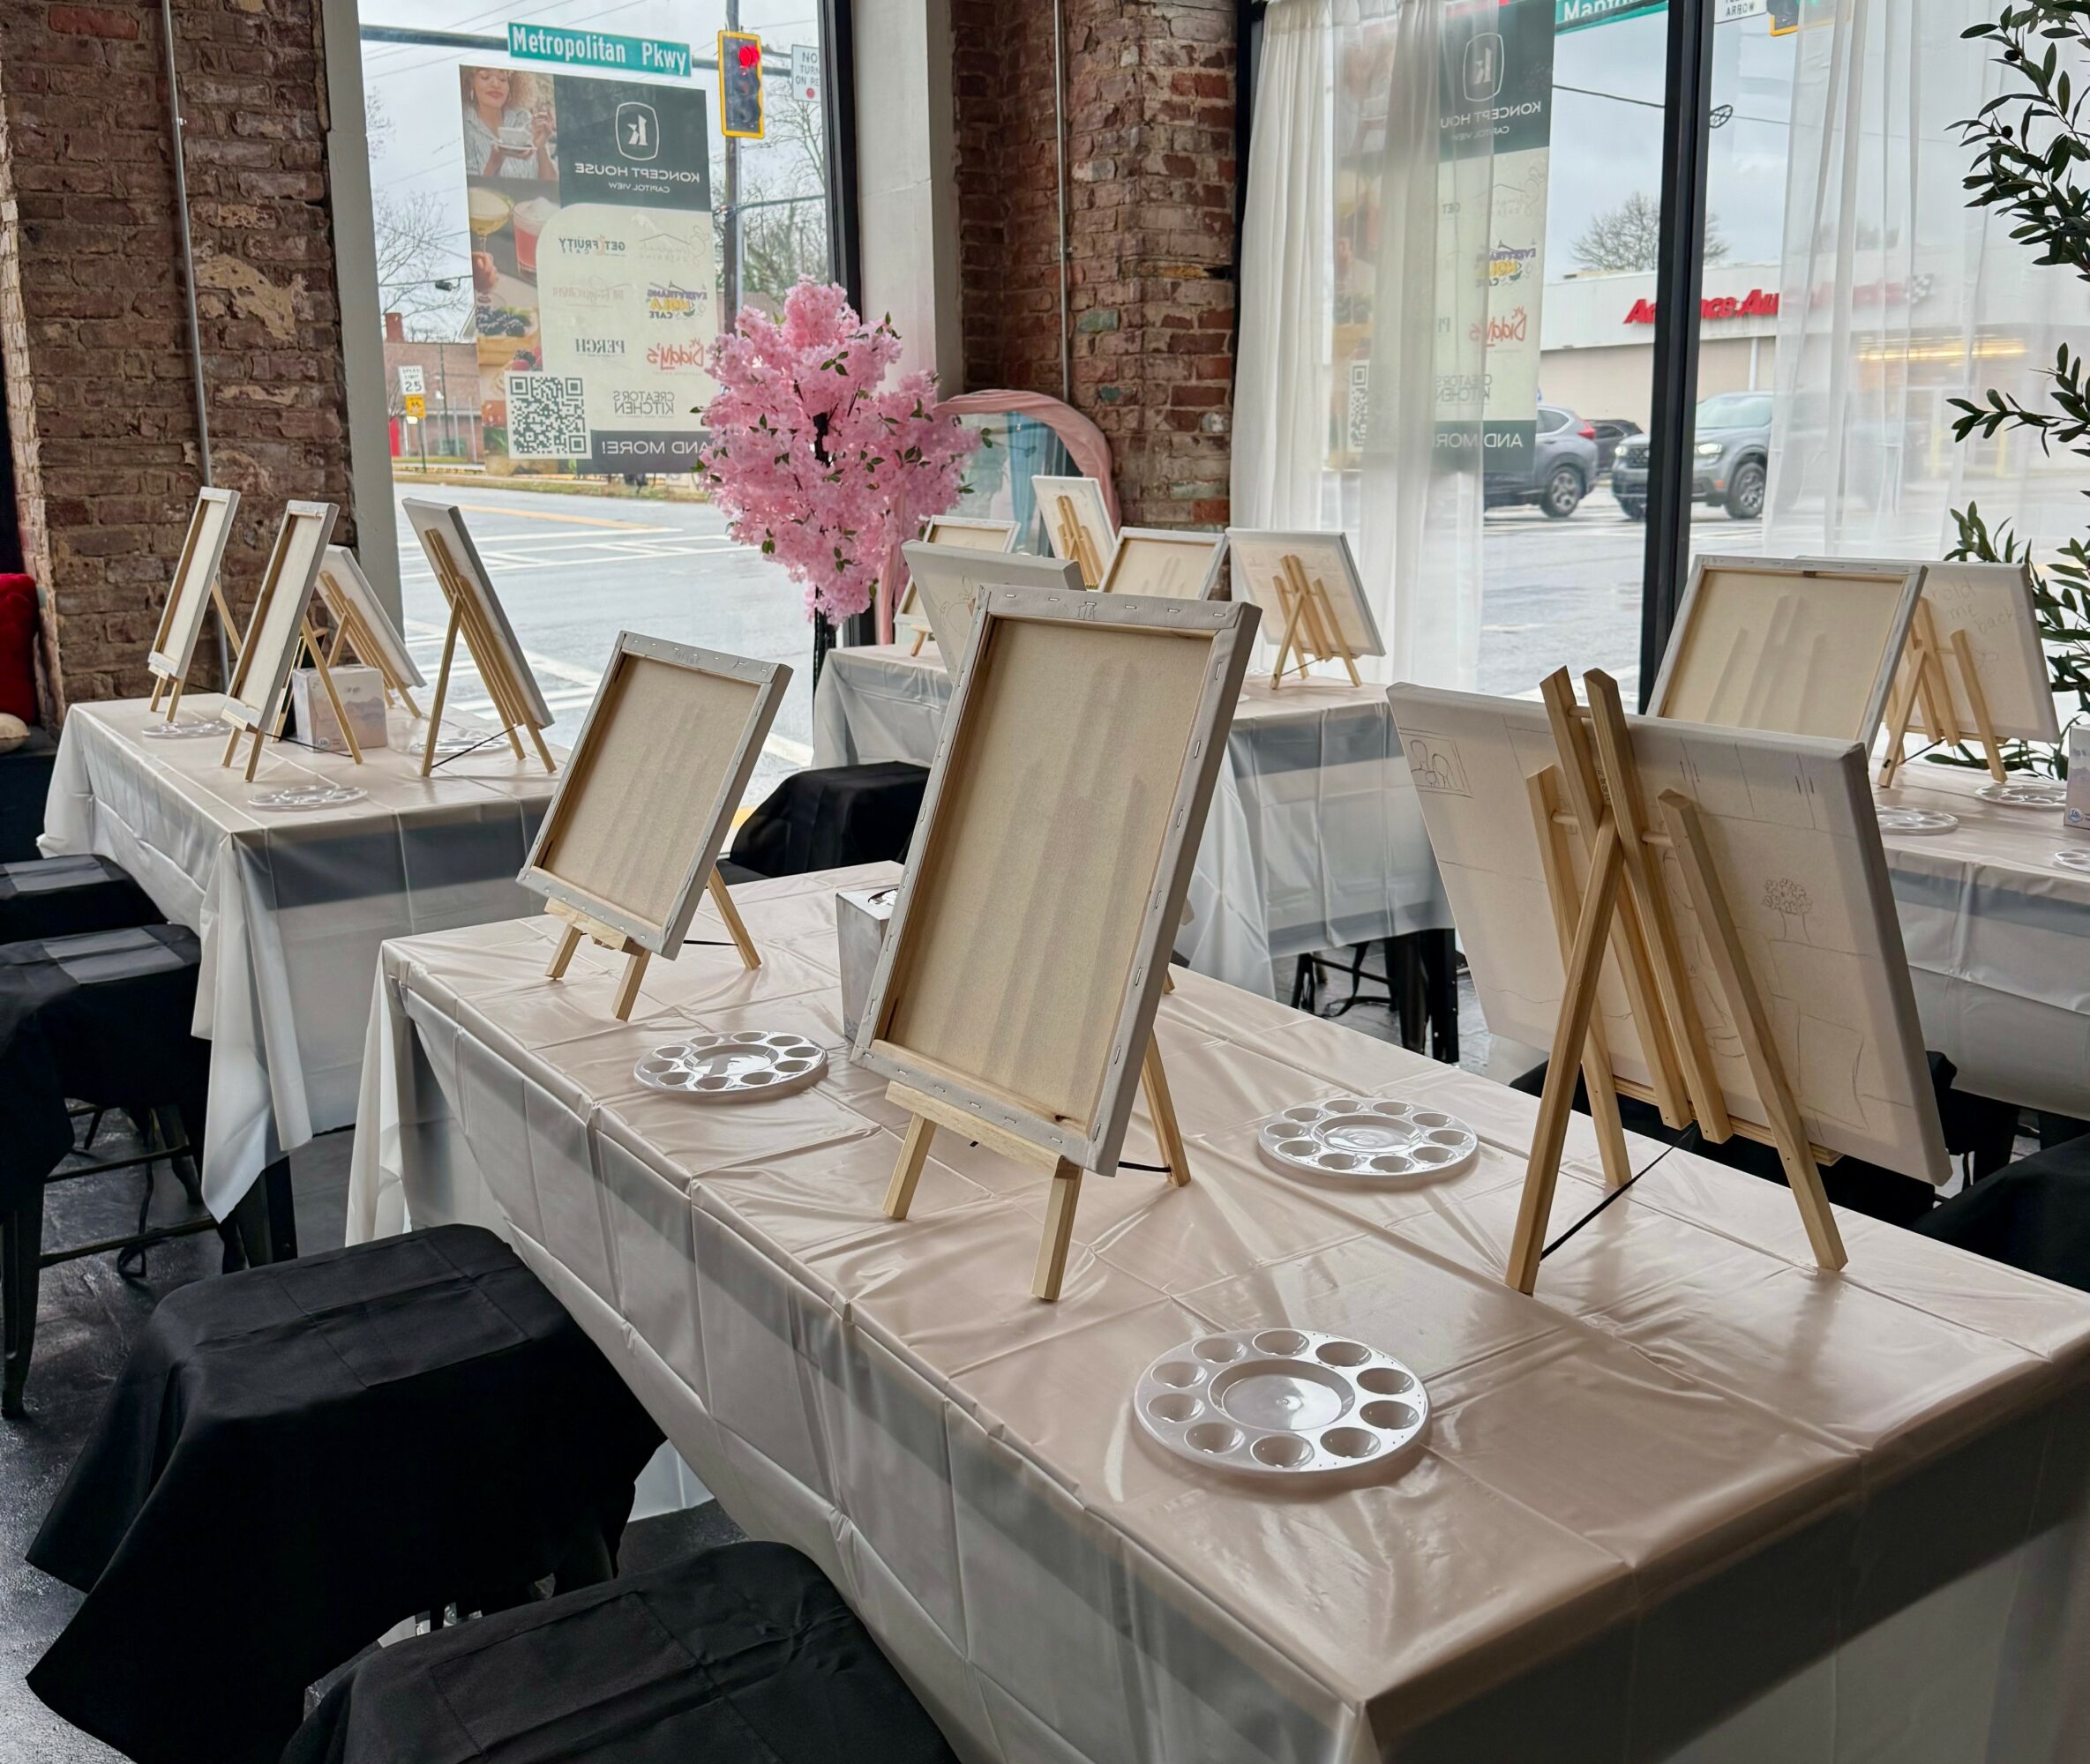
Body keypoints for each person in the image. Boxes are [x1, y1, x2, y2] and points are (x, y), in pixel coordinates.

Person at [461, 66, 555, 181]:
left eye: (502, 79)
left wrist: (542, 146)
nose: (496, 84)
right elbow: (473, 193)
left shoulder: (524, 118)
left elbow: (552, 186)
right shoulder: (463, 127)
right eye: (485, 77)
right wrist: (495, 162)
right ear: (471, 82)